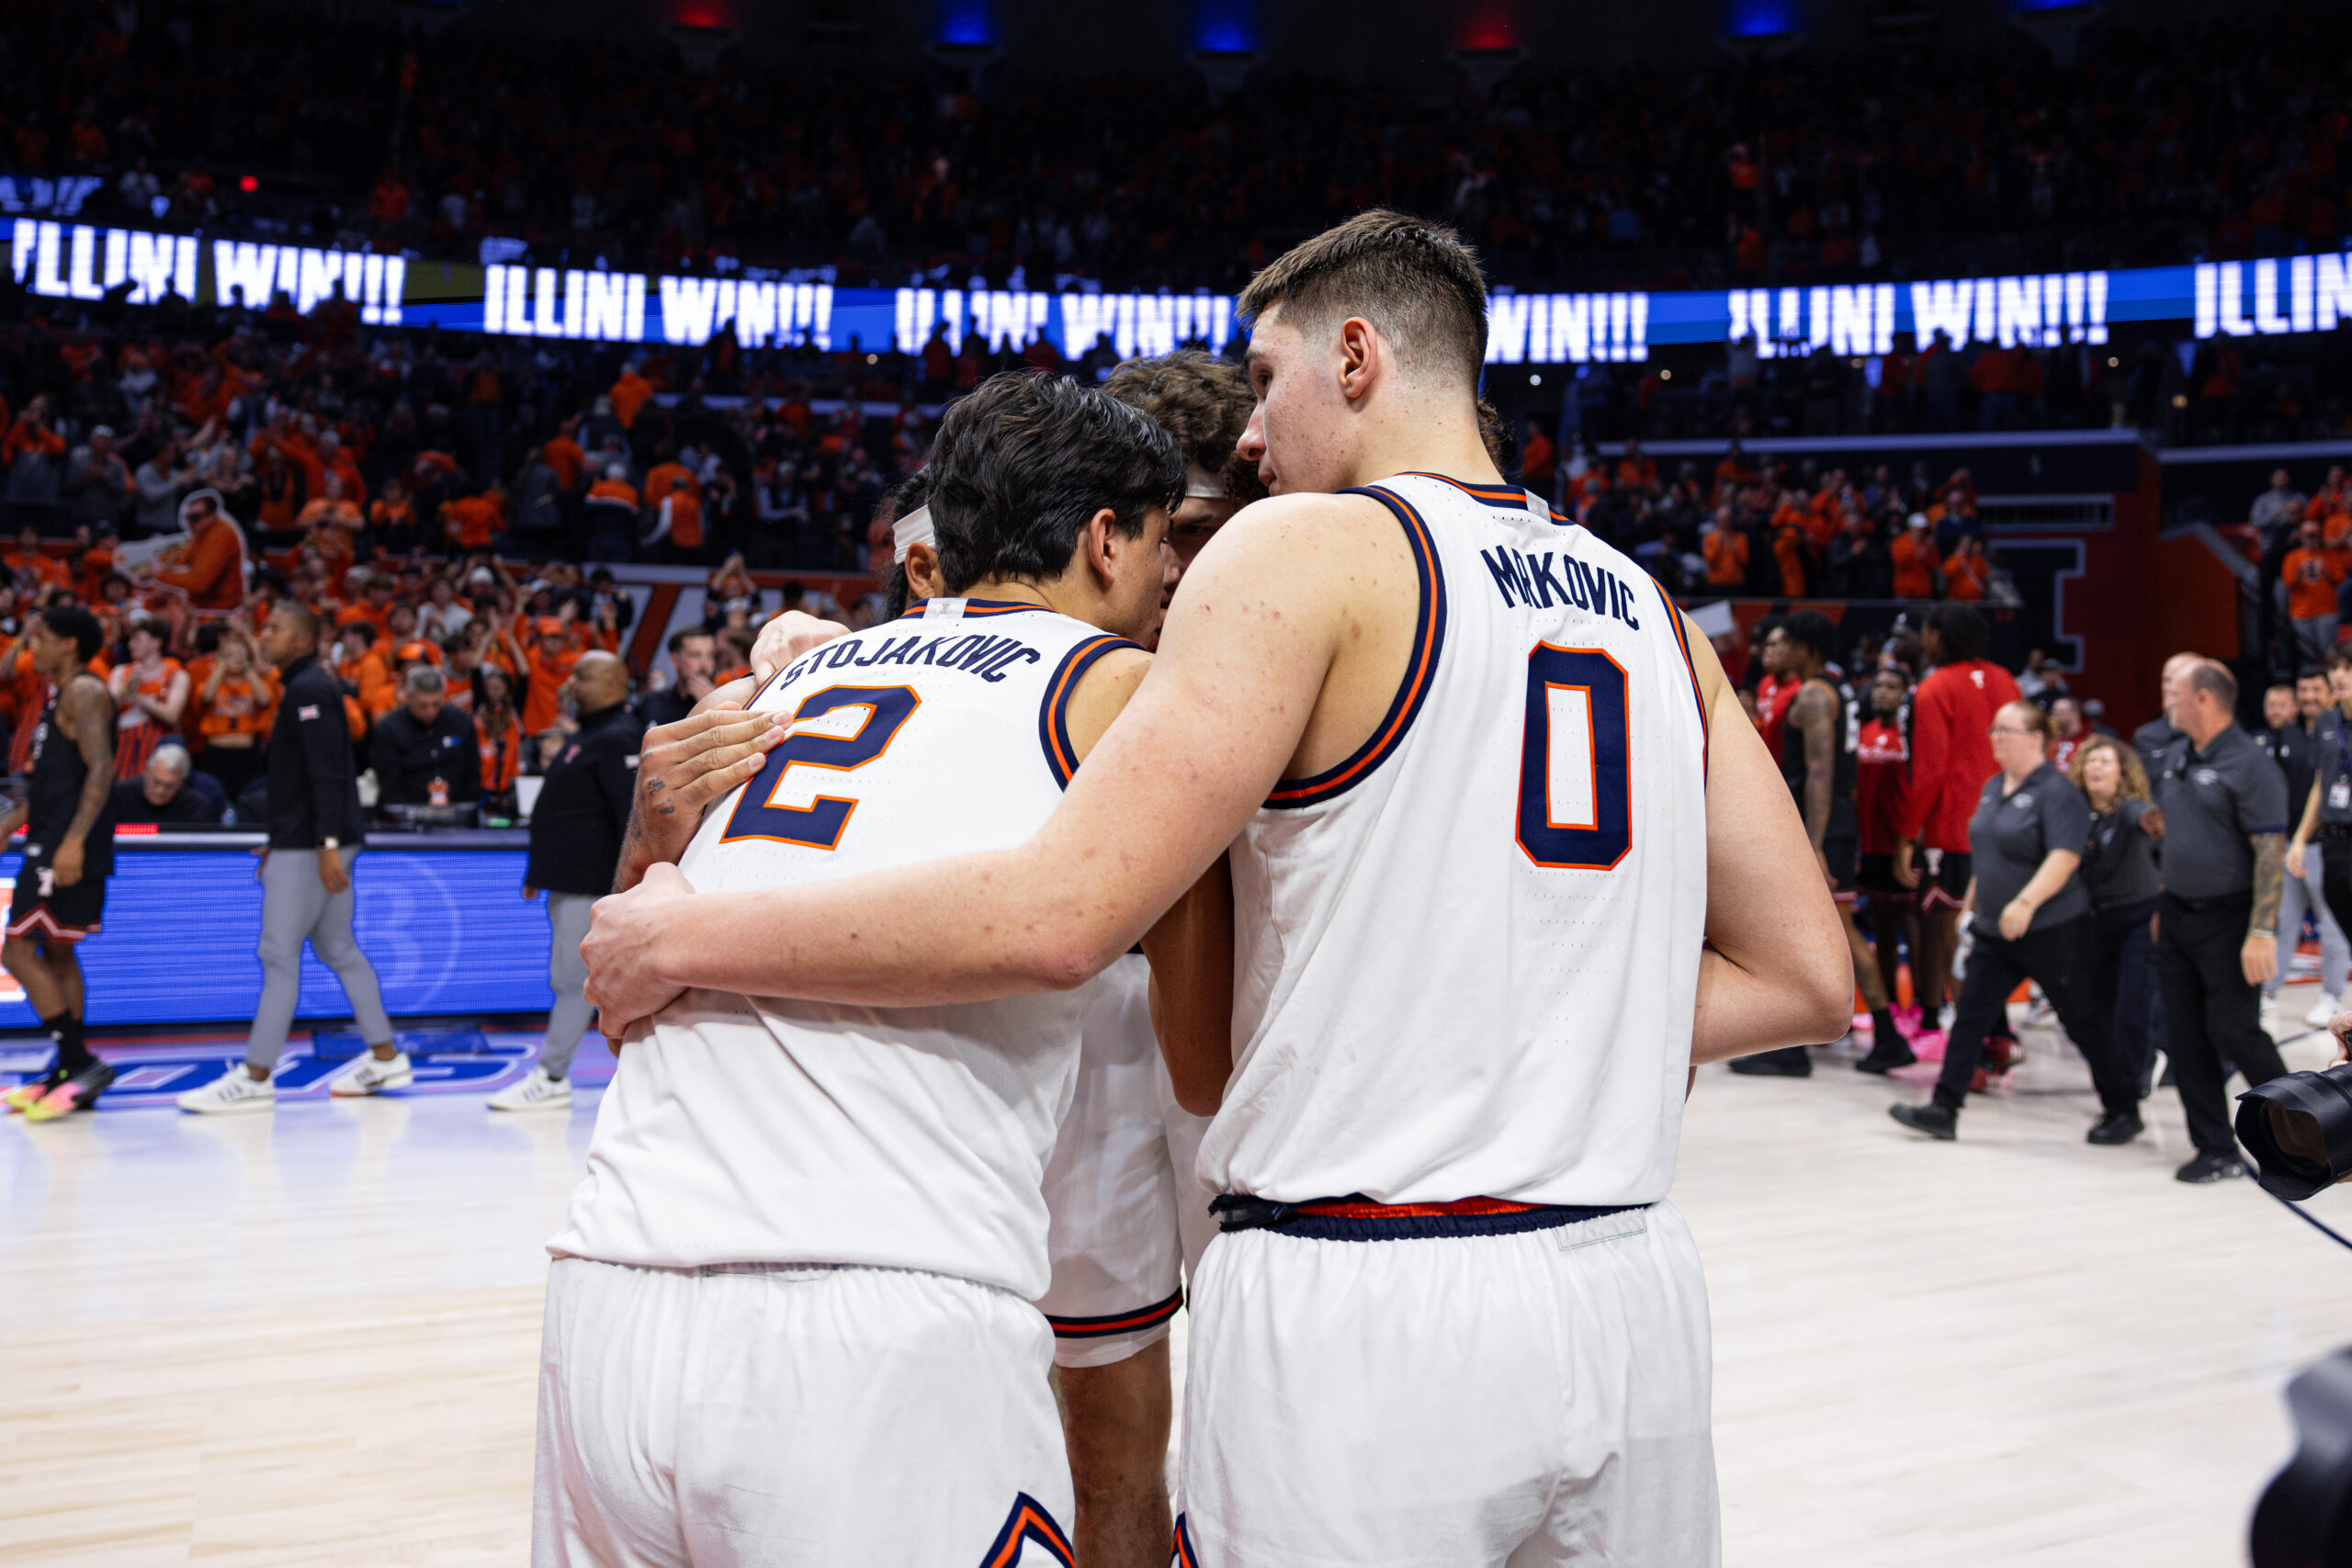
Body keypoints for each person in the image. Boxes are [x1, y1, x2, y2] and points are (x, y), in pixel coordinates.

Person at [582, 209, 1849, 1564]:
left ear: (1355, 356)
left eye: (1262, 379)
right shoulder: (1657, 613)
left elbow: (1066, 919)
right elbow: (1809, 978)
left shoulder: (1302, 550)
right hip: (1630, 1288)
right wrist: (1542, 1012)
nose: (1250, 434)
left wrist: (685, 922)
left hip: (1367, 1279)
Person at [533, 373, 1205, 1563]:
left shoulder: (787, 681)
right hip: (867, 1310)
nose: (1171, 580)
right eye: (1164, 543)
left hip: (610, 1293)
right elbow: (1081, 939)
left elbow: (628, 1006)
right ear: (1107, 540)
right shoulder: (1123, 689)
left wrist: (657, 879)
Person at [176, 603, 405, 1113]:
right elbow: (303, 779)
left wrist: (324, 845)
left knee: (278, 955)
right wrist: (284, 839)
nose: (264, 635)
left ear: (302, 639)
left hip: (313, 845)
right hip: (305, 840)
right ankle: (387, 1056)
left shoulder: (308, 689)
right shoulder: (305, 686)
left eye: (275, 628)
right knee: (340, 950)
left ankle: (256, 1076)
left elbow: (327, 773)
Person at [1890, 702, 2143, 1142]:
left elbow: (2063, 857)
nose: (1996, 737)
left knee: (2081, 1020)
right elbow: (1986, 856)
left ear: (2035, 739)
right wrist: (1969, 908)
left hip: (2052, 929)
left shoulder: (2058, 793)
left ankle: (2123, 1107)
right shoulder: (1992, 788)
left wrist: (2026, 902)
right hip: (1994, 930)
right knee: (1971, 1016)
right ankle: (1944, 1108)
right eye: (1994, 729)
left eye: (2006, 729)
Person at [1734, 610, 1899, 1077]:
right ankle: (1882, 1036)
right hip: (1830, 825)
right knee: (1832, 932)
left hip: (1823, 828)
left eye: (1785, 641)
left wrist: (1816, 844)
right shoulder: (1834, 687)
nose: (1776, 648)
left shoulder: (1812, 694)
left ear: (1805, 646)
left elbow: (1821, 776)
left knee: (1831, 933)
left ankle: (1806, 1045)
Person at [2148, 659, 2291, 1183]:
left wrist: (2261, 930)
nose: (2167, 700)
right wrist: (2166, 896)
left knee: (2235, 1032)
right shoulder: (2180, 755)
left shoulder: (2250, 765)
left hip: (2232, 918)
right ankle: (2215, 1148)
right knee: (2184, 1038)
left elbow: (2270, 854)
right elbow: (2180, 837)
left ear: (2204, 699)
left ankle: (2308, 1135)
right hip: (2178, 913)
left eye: (2175, 691)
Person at [489, 651, 642, 1114]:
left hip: (594, 884)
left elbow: (629, 817)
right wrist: (540, 871)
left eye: (582, 676)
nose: (570, 682)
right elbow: (564, 813)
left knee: (575, 981)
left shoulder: (619, 737)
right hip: (571, 882)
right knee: (575, 980)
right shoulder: (589, 736)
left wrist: (626, 887)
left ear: (613, 684)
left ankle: (551, 1075)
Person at [0, 607, 118, 1121]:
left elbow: (102, 769)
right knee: (61, 954)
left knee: (17, 951)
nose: (34, 648)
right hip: (50, 836)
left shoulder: (85, 692)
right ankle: (69, 1070)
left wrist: (72, 844)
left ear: (69, 644)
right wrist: (6, 826)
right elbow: (54, 785)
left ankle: (78, 1060)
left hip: (64, 846)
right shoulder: (58, 695)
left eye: (42, 638)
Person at [1893, 602, 2022, 1052]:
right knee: (1990, 931)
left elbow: (1929, 773)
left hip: (1953, 832)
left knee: (1953, 935)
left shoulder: (1934, 688)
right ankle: (2001, 1031)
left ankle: (1977, 1045)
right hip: (2011, 827)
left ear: (1937, 636)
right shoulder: (2006, 680)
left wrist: (1906, 837)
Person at [2073, 735, 2165, 1097]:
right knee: (2096, 1009)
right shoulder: (2075, 814)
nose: (2095, 767)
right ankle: (2117, 1071)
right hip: (2095, 922)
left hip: (2139, 919)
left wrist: (2161, 824)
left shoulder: (2129, 808)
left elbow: (2148, 819)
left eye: (2105, 762)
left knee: (2132, 1005)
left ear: (2121, 773)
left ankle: (2135, 1077)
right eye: (2090, 761)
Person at [2255, 679, 2338, 1032]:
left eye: (2315, 691)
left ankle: (2332, 994)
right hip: (2289, 844)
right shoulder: (2283, 737)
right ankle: (2269, 992)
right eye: (2302, 692)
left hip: (2328, 843)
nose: (2308, 698)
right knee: (2283, 920)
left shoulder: (2335, 733)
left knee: (2332, 924)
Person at [1855, 664, 1922, 1069]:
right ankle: (1892, 1008)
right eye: (1878, 685)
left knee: (1910, 922)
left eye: (1891, 686)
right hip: (1870, 844)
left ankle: (1917, 1007)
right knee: (1880, 922)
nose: (1882, 692)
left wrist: (1909, 845)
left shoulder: (1909, 738)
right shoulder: (1861, 733)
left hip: (1902, 845)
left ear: (1905, 693)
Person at [368, 665, 481, 808]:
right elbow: (390, 784)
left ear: (442, 696)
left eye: (436, 704)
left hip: (457, 812)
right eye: (423, 705)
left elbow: (472, 774)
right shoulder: (388, 729)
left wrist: (463, 808)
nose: (430, 711)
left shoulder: (460, 722)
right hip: (406, 816)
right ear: (409, 698)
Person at [192, 625, 277, 801]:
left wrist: (248, 668)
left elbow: (265, 700)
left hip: (247, 753)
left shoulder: (255, 682)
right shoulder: (212, 681)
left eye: (240, 653)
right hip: (215, 752)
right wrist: (221, 667)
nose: (235, 658)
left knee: (248, 799)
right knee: (213, 797)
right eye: (230, 654)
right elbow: (206, 697)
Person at [2279, 516, 2345, 667]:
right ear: (2301, 536)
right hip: (2301, 612)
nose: (2313, 538)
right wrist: (2299, 574)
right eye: (2309, 535)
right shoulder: (2292, 557)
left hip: (2326, 610)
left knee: (2329, 653)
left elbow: (2340, 579)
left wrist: (2326, 572)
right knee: (2307, 654)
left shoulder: (2330, 555)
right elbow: (2288, 584)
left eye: (2316, 535)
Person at [110, 741, 224, 825]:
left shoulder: (196, 807)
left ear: (181, 782)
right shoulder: (120, 796)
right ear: (146, 771)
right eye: (156, 782)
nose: (160, 791)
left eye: (169, 786)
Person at [635, 627, 716, 729]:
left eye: (710, 655)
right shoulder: (652, 702)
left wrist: (712, 705)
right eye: (695, 655)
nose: (705, 665)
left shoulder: (727, 702)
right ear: (675, 660)